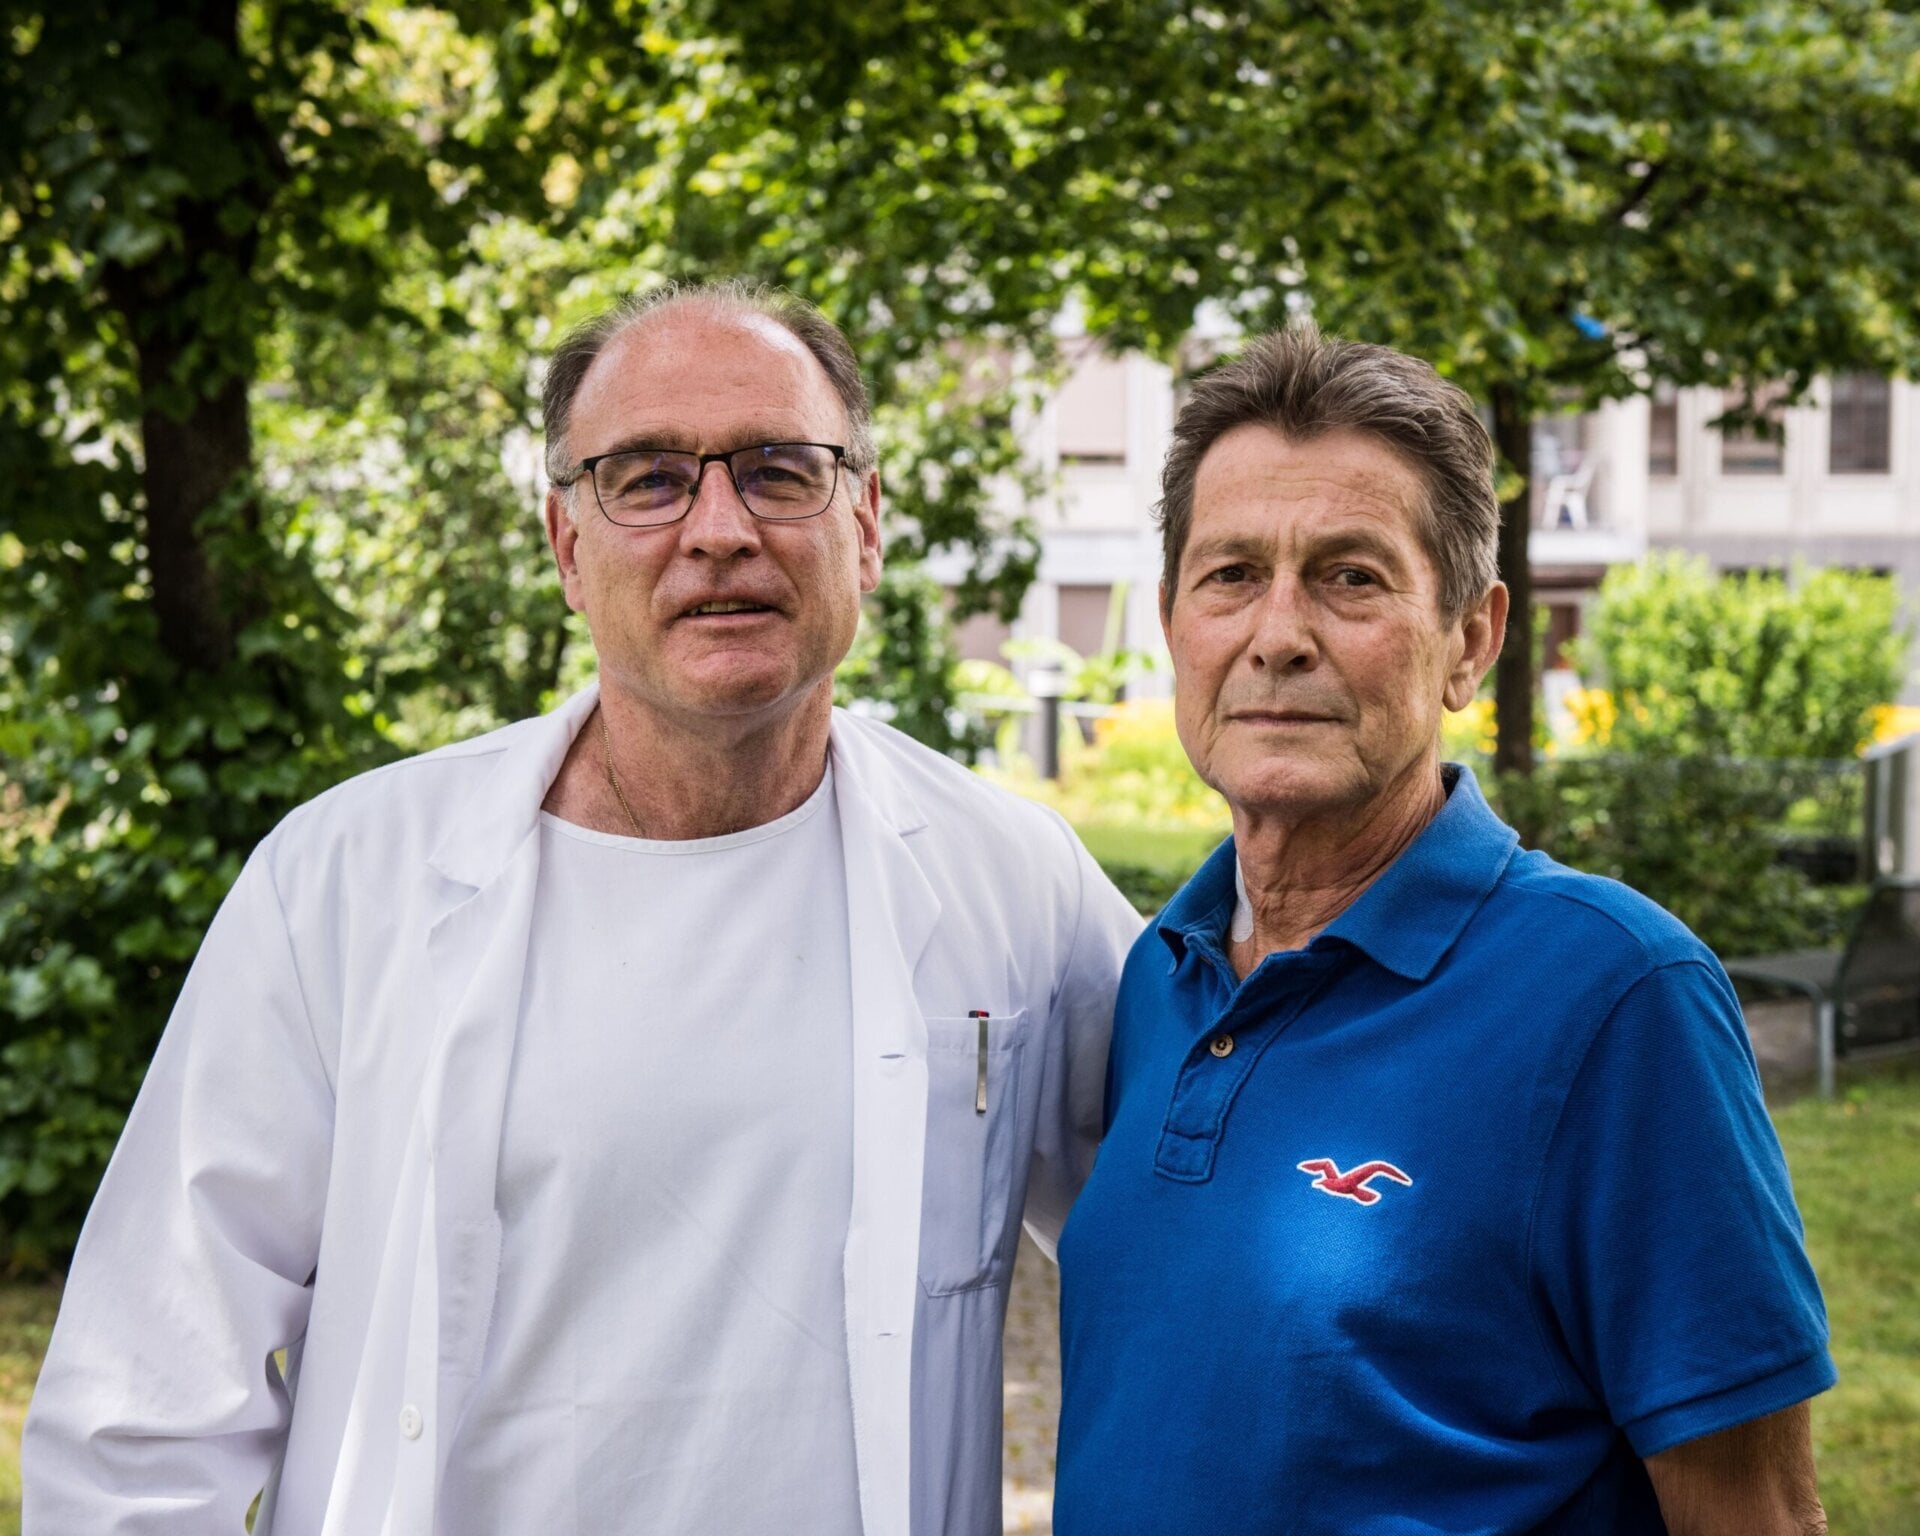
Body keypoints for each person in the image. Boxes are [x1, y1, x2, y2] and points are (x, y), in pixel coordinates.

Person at [25, 282, 1141, 1536]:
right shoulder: (342, 885)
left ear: (866, 526)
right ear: (566, 546)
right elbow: (147, 1409)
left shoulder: (1013, 883)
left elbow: (1212, 1219)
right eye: (649, 478)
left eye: (780, 469)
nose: (720, 528)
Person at [1054, 323, 1833, 1536]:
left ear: (1472, 637)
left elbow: (1759, 1518)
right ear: (1172, 625)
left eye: (1352, 577)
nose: (1278, 633)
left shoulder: (1619, 999)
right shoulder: (1159, 977)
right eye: (1230, 575)